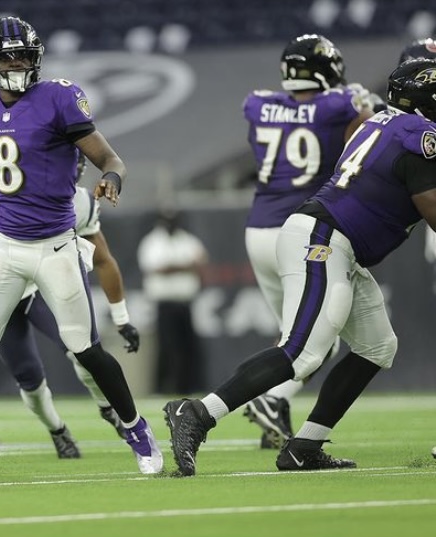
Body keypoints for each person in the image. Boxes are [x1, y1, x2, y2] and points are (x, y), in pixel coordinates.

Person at [0, 16, 163, 479]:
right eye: (8, 55)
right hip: (3, 245)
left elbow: (109, 156)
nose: (18, 62)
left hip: (55, 246)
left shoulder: (59, 97)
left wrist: (110, 178)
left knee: (85, 351)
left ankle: (137, 428)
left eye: (24, 54)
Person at [163, 57, 436, 476]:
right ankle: (197, 413)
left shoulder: (383, 122)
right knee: (302, 352)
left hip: (333, 239)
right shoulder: (420, 137)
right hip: (325, 239)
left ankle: (304, 446)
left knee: (378, 347)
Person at [240, 34, 375, 449]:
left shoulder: (258, 103)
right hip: (301, 232)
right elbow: (364, 127)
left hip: (257, 230)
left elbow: (274, 116)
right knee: (320, 340)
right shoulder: (339, 104)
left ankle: (274, 415)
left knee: (291, 337)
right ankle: (272, 398)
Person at [0, 163, 141, 458]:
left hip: (40, 286)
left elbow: (104, 260)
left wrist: (121, 317)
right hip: (5, 290)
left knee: (82, 349)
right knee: (28, 378)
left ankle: (109, 408)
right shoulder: (11, 195)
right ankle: (57, 430)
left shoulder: (81, 202)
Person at [136, 208, 207, 394]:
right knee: (167, 347)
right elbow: (155, 267)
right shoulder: (153, 241)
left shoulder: (187, 239)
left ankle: (187, 388)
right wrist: (184, 266)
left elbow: (200, 262)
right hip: (164, 304)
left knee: (188, 347)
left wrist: (173, 266)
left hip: (185, 303)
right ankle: (162, 389)